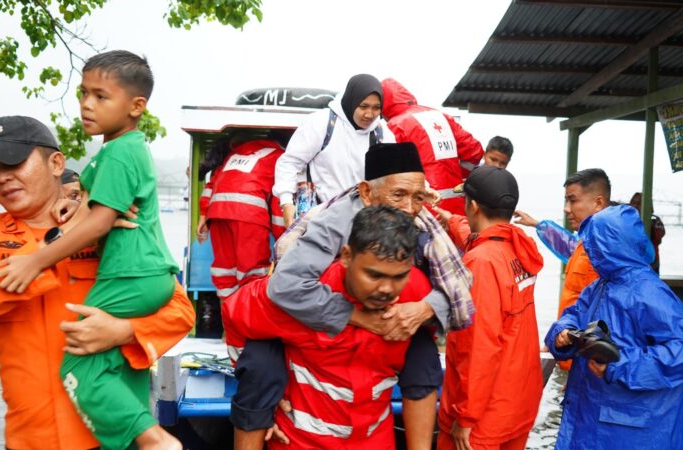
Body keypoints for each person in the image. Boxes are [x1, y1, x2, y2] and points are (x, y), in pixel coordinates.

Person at [0, 51, 182, 449]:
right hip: (32, 437)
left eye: (13, 162)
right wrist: (66, 234)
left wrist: (125, 330)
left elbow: (180, 309)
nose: (3, 178)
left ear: (57, 162)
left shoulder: (117, 225)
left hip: (113, 434)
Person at [231, 142, 474, 450]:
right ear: (366, 193)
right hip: (297, 297)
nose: (410, 207)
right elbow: (284, 287)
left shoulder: (421, 225)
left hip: (370, 412)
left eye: (418, 197)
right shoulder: (333, 223)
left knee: (423, 356)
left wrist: (425, 309)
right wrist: (358, 317)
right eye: (398, 194)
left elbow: (460, 289)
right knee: (261, 369)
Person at [222, 206, 433, 449]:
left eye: (398, 277)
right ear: (346, 256)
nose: (387, 288)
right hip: (299, 442)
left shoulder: (415, 293)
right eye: (374, 276)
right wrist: (261, 399)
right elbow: (234, 313)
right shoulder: (298, 298)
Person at [545, 205, 683, 449]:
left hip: (632, 430)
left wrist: (619, 364)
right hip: (595, 417)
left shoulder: (650, 293)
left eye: (594, 245)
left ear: (611, 245)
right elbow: (573, 314)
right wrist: (563, 333)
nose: (590, 252)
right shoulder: (600, 286)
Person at [433, 166, 544, 450]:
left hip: (483, 417)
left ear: (473, 206)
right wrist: (448, 219)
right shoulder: (518, 246)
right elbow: (480, 236)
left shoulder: (480, 263)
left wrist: (465, 416)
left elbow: (480, 344)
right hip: (517, 403)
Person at [513, 168, 611, 371]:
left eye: (573, 200)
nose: (567, 209)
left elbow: (603, 313)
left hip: (586, 361)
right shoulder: (585, 245)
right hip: (570, 350)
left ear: (599, 203)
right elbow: (567, 244)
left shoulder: (607, 251)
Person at [273, 74, 392, 227]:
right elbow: (289, 162)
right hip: (321, 219)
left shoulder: (382, 133)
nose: (369, 114)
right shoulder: (321, 123)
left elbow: (396, 173)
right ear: (351, 101)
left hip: (362, 224)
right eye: (363, 106)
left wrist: (424, 189)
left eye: (376, 108)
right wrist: (286, 203)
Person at [196, 134, 286, 298]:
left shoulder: (236, 153)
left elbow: (211, 183)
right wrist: (283, 237)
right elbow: (279, 201)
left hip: (217, 213)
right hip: (249, 215)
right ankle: (249, 320)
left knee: (224, 272)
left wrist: (203, 214)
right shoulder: (281, 157)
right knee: (252, 274)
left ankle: (228, 318)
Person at [381, 78, 483, 215]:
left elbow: (393, 174)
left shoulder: (394, 126)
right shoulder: (441, 116)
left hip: (423, 209)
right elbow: (474, 152)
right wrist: (454, 172)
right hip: (457, 207)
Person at [629, 192, 665, 273]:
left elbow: (659, 238)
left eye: (639, 204)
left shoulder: (655, 222)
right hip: (632, 263)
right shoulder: (625, 222)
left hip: (651, 263)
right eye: (633, 203)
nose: (635, 206)